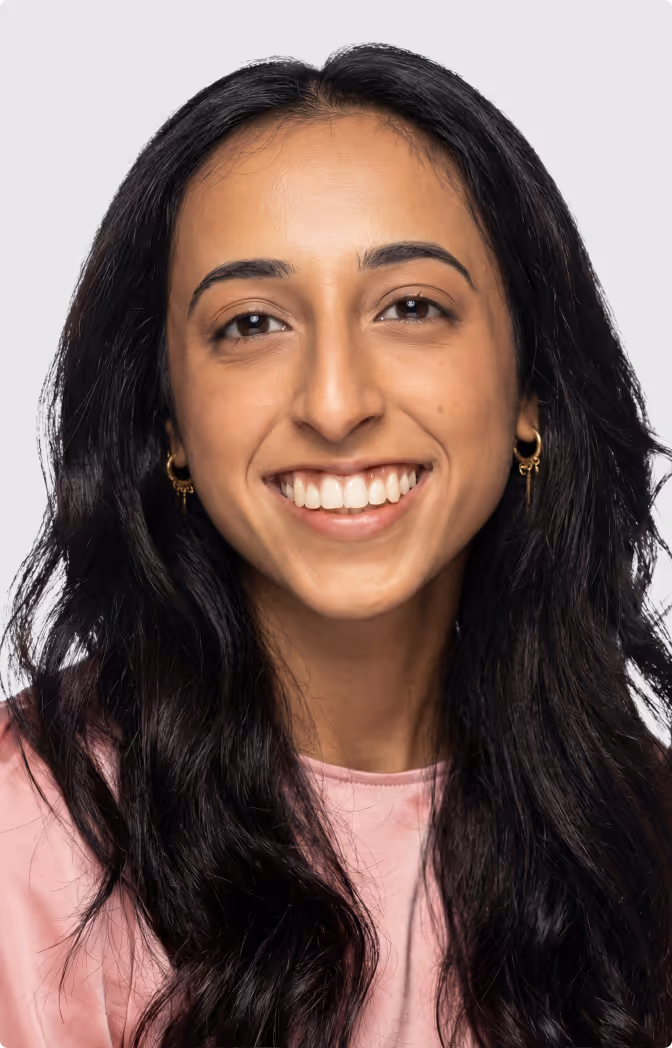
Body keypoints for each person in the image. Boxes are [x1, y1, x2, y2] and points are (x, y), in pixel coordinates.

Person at [1, 41, 671, 1048]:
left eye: (411, 307)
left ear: (531, 390)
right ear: (172, 422)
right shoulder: (29, 834)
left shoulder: (643, 834)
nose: (335, 403)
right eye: (253, 323)